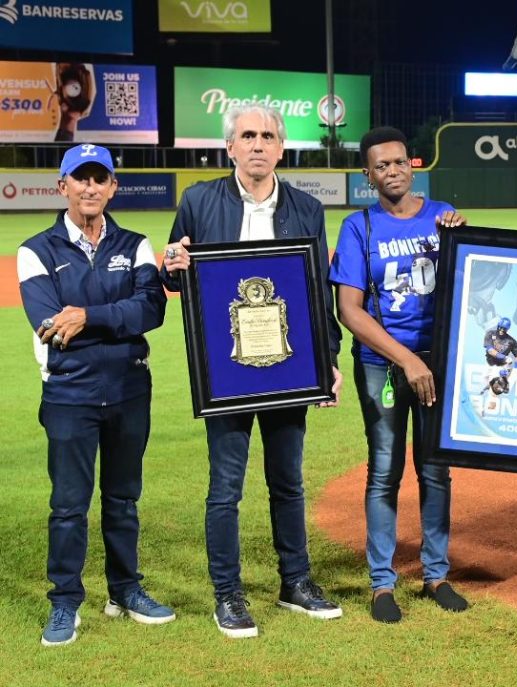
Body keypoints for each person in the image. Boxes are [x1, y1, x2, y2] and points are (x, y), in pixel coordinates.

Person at [161, 104, 343, 639]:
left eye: (268, 135)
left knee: (288, 481)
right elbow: (176, 280)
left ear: (281, 148)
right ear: (231, 147)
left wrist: (328, 360)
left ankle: (296, 582)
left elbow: (317, 294)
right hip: (227, 372)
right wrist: (173, 265)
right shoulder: (198, 200)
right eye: (248, 135)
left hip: (289, 369)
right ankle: (228, 594)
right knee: (226, 486)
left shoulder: (307, 208)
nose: (258, 144)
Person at [18, 144, 173, 646]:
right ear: (62, 186)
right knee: (68, 504)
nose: (89, 187)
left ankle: (124, 590)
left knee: (123, 499)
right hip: (70, 394)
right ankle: (65, 603)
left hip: (130, 390)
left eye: (99, 178)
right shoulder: (35, 250)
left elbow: (151, 310)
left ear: (113, 187)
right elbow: (48, 325)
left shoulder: (137, 243)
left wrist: (85, 315)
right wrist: (114, 316)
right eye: (79, 178)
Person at [330, 126, 469, 624]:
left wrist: (462, 237)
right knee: (384, 471)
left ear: (413, 164)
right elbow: (350, 309)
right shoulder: (358, 228)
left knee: (435, 468)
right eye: (380, 166)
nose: (391, 171)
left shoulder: (441, 215)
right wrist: (406, 360)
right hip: (381, 367)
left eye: (398, 162)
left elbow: (473, 279)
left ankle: (436, 574)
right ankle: (382, 583)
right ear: (368, 176)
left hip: (437, 362)